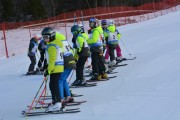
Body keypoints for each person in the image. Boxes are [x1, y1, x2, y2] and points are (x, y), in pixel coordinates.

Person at [41, 27, 64, 112]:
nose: (45, 39)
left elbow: (52, 60)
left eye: (46, 37)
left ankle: (58, 103)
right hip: (58, 67)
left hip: (55, 67)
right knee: (52, 85)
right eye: (43, 37)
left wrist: (48, 70)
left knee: (54, 85)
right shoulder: (56, 43)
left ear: (52, 36)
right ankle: (56, 101)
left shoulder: (52, 46)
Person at [56, 31, 76, 104]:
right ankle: (68, 96)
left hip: (66, 61)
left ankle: (61, 98)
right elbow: (72, 51)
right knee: (63, 79)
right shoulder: (65, 42)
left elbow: (59, 54)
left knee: (60, 80)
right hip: (71, 61)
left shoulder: (59, 43)